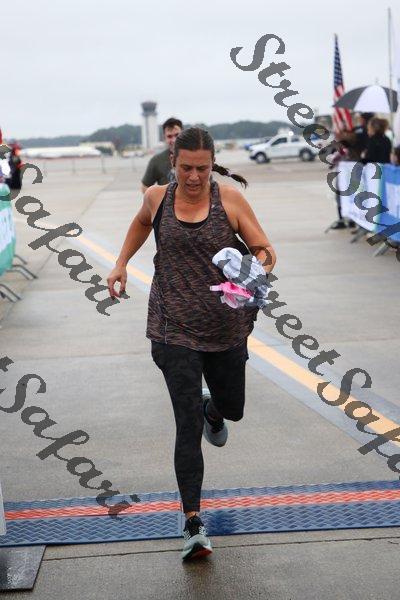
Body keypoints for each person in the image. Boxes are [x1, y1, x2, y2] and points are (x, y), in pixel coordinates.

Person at [107, 127, 276, 561]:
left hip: (225, 328)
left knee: (233, 408)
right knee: (185, 426)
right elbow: (141, 223)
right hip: (173, 328)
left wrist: (251, 270)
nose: (195, 176)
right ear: (173, 163)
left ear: (212, 164)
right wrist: (121, 262)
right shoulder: (157, 197)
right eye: (186, 168)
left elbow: (265, 249)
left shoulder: (230, 201)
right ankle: (193, 522)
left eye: (202, 168)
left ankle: (212, 410)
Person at [141, 117, 183, 193]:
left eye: (177, 135)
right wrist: (159, 198)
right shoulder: (156, 160)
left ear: (183, 134)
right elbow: (145, 187)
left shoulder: (195, 156)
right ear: (164, 138)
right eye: (169, 136)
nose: (174, 140)